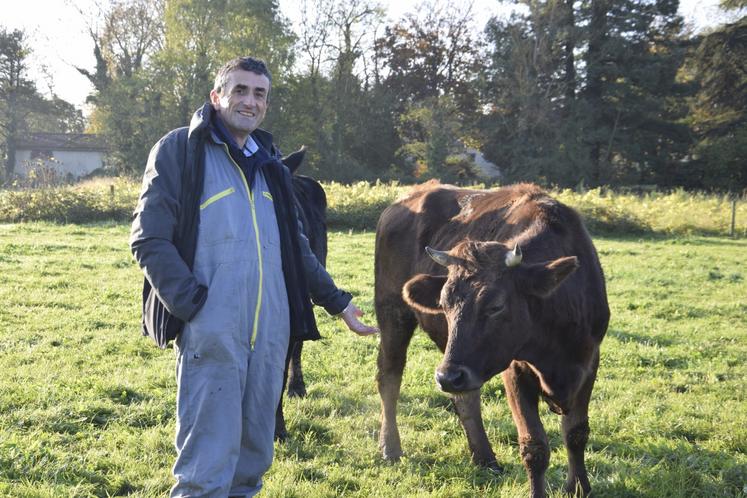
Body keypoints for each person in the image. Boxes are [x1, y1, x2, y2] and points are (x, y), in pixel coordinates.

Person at [130, 56, 378, 498]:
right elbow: (149, 239)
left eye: (259, 93)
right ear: (216, 96)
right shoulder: (179, 150)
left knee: (252, 463)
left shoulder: (272, 167)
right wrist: (194, 308)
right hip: (213, 330)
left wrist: (339, 302)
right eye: (239, 90)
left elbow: (295, 250)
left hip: (270, 336)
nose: (249, 101)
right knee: (205, 468)